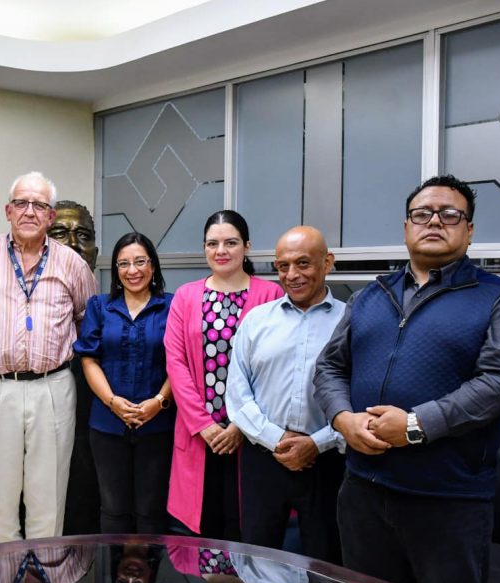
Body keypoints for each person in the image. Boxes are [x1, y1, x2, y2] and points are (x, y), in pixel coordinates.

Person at [314, 174, 500, 583]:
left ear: (469, 230)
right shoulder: (368, 297)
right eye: (422, 214)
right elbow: (329, 367)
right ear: (406, 228)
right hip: (362, 490)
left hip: (447, 501)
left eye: (450, 214)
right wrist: (343, 419)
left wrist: (415, 426)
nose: (434, 221)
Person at [0, 172, 97, 544]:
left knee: (48, 496)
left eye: (40, 205)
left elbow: (87, 323)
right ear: (8, 210)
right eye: (21, 203)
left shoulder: (73, 265)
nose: (29, 211)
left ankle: (45, 581)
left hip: (53, 387)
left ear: (51, 216)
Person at [225, 226, 345, 563]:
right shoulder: (256, 320)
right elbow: (237, 394)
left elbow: (361, 398)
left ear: (328, 263)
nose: (292, 275)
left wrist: (316, 443)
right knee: (258, 558)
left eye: (304, 263)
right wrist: (276, 438)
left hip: (327, 461)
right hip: (263, 458)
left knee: (327, 564)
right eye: (282, 266)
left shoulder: (350, 321)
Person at [164, 210, 283, 539]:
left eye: (231, 243)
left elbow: (275, 370)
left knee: (248, 524)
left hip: (252, 433)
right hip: (200, 432)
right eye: (213, 243)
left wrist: (241, 426)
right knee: (205, 522)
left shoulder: (270, 295)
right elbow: (176, 363)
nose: (221, 251)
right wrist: (203, 425)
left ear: (247, 246)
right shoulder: (186, 297)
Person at [74, 232, 174, 534]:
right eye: (124, 263)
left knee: (151, 510)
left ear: (153, 266)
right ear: (116, 270)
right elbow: (89, 359)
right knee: (113, 509)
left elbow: (180, 363)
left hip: (158, 423)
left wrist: (159, 402)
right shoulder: (99, 306)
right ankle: (115, 578)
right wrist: (112, 402)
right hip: (107, 424)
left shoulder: (172, 305)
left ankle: (150, 580)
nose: (133, 270)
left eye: (140, 262)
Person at [48, 200, 101, 536]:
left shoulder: (115, 303)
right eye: (59, 233)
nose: (71, 244)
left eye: (83, 235)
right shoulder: (24, 300)